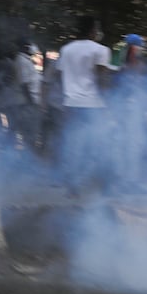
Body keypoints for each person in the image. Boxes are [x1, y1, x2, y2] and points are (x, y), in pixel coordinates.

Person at [55, 15, 117, 194]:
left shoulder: (66, 49)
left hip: (70, 104)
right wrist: (108, 103)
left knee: (73, 144)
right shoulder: (101, 50)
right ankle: (103, 186)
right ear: (92, 30)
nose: (98, 32)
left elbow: (60, 76)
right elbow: (102, 79)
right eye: (97, 28)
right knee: (99, 143)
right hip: (93, 105)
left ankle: (72, 184)